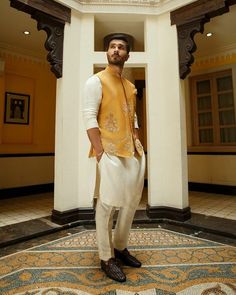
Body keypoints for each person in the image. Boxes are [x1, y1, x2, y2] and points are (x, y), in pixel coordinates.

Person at [82, 34, 145, 282]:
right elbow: (89, 117)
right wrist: (99, 152)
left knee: (130, 203)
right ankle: (106, 257)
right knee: (107, 205)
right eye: (112, 47)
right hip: (108, 151)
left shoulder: (130, 86)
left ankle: (120, 247)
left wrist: (138, 143)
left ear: (127, 55)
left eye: (121, 48)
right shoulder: (95, 81)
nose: (116, 50)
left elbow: (134, 118)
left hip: (133, 152)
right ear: (107, 53)